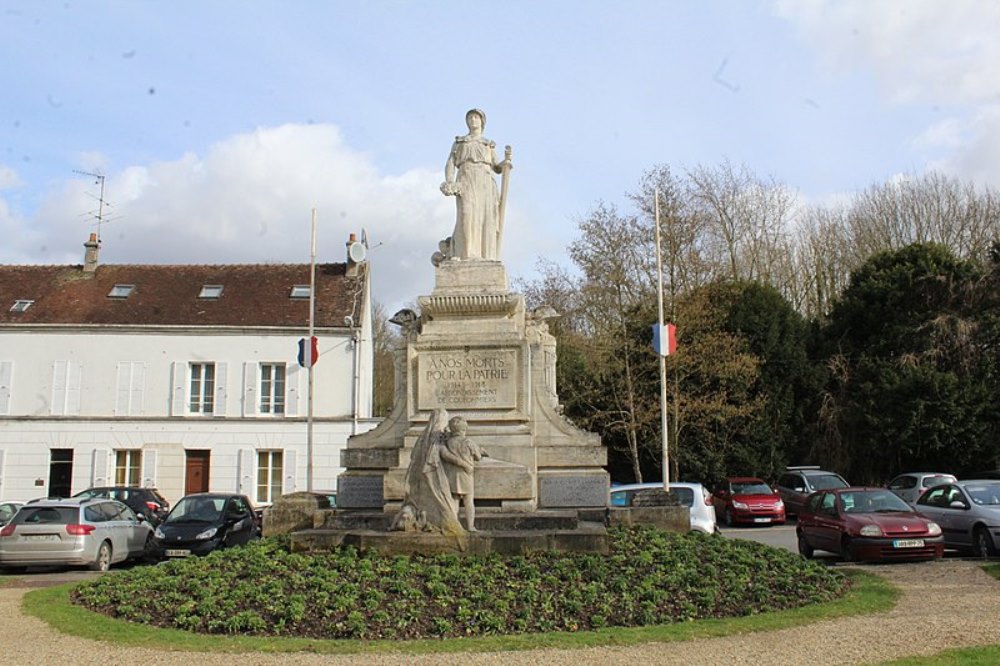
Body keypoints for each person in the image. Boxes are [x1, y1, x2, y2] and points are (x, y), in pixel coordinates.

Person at [440, 108, 511, 260]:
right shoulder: (460, 142)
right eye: (470, 117)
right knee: (466, 214)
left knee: (486, 218)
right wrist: (450, 181)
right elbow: (450, 163)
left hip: (485, 182)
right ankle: (465, 255)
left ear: (482, 121)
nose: (473, 120)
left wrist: (505, 164)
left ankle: (486, 255)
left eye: (476, 117)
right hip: (466, 179)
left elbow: (496, 167)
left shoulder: (488, 145)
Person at [440, 415, 486, 531]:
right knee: (468, 500)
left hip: (453, 474)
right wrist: (481, 452)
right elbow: (478, 457)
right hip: (466, 473)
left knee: (455, 499)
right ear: (464, 429)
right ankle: (470, 525)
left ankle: (455, 525)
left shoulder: (449, 442)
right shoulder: (468, 441)